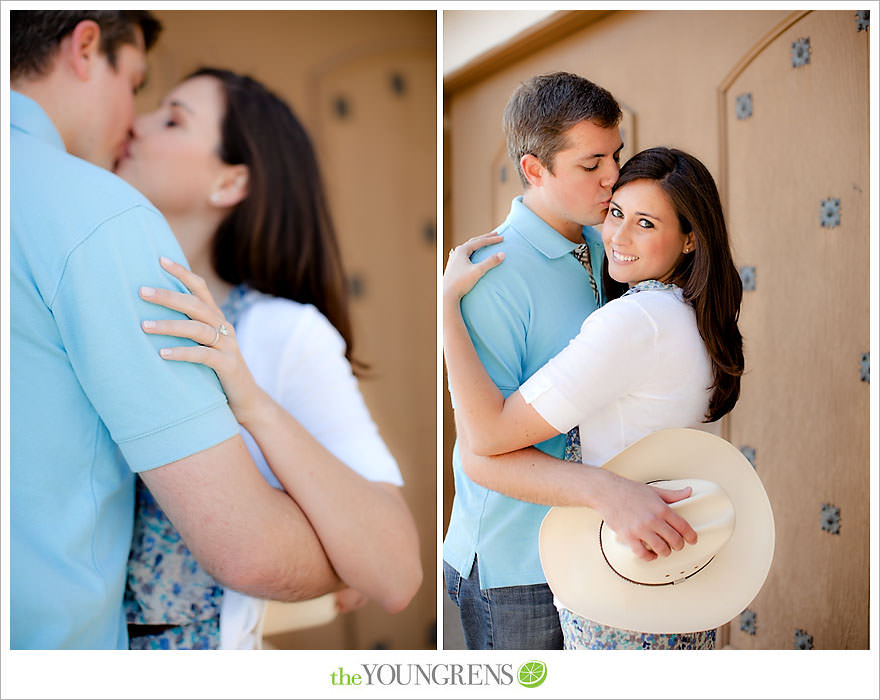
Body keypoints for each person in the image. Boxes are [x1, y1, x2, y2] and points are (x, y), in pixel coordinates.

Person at [11, 11, 333, 649]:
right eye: (135, 83)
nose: (134, 121)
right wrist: (357, 557)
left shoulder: (292, 333)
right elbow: (249, 549)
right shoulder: (103, 217)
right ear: (85, 46)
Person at [114, 67, 422, 649]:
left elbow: (396, 573)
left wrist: (251, 401)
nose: (136, 122)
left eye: (173, 118)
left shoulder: (282, 332)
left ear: (230, 183)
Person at [443, 146, 744, 649]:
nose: (618, 237)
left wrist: (445, 309)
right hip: (664, 579)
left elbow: (486, 438)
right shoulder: (687, 314)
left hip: (621, 584)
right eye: (617, 214)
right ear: (534, 169)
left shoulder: (636, 320)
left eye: (645, 223)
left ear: (691, 239)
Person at [443, 71, 638, 650]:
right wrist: (606, 491)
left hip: (598, 546)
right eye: (591, 163)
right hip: (517, 569)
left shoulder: (612, 244)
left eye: (616, 156)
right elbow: (483, 446)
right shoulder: (490, 276)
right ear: (534, 169)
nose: (613, 177)